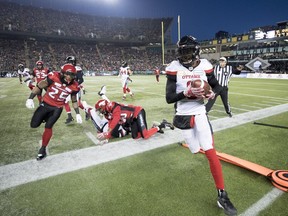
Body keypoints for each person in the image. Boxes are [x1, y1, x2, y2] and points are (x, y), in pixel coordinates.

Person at [165, 35, 237, 216]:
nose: (185, 55)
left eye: (188, 51)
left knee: (210, 150)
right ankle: (191, 142)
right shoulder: (174, 68)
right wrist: (186, 92)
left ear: (196, 52)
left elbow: (217, 86)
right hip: (183, 115)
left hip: (200, 113)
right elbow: (169, 98)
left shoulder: (205, 65)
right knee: (195, 149)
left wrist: (211, 94)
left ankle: (222, 194)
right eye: (182, 52)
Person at [25, 64, 83, 160]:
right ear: (63, 73)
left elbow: (74, 100)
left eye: (72, 75)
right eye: (68, 74)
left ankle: (42, 149)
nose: (70, 77)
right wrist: (30, 98)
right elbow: (39, 86)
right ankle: (45, 118)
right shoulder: (53, 76)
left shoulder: (75, 86)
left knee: (48, 127)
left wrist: (77, 113)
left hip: (57, 108)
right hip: (46, 104)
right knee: (34, 125)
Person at [90, 95, 174, 142]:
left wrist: (106, 133)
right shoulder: (107, 114)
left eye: (100, 109)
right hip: (132, 119)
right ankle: (154, 128)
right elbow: (110, 125)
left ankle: (163, 124)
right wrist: (107, 137)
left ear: (103, 106)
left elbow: (115, 120)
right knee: (136, 136)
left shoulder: (113, 106)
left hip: (138, 112)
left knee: (145, 136)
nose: (100, 111)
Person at [63, 56, 86, 124]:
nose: (69, 63)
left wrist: (75, 85)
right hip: (67, 88)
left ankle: (87, 111)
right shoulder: (65, 68)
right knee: (65, 101)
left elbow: (81, 79)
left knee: (78, 104)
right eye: (68, 62)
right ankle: (70, 116)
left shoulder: (77, 69)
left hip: (75, 88)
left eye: (70, 62)